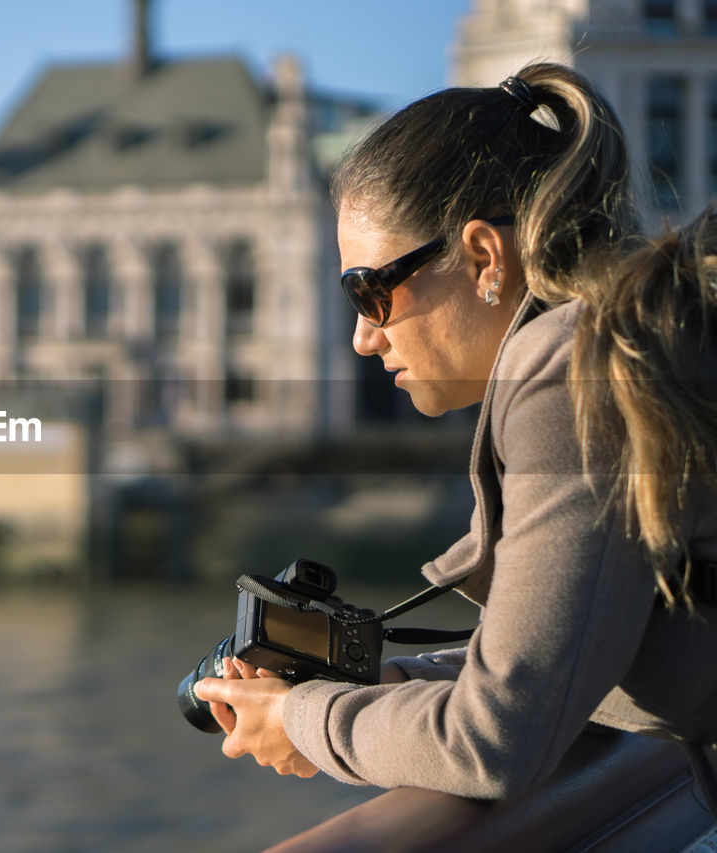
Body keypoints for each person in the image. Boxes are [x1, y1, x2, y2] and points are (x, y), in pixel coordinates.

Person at [193, 62, 717, 809]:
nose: (361, 340)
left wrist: (303, 721)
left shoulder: (571, 368)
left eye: (369, 291)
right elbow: (579, 654)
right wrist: (389, 684)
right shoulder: (629, 341)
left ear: (482, 257)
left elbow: (495, 736)